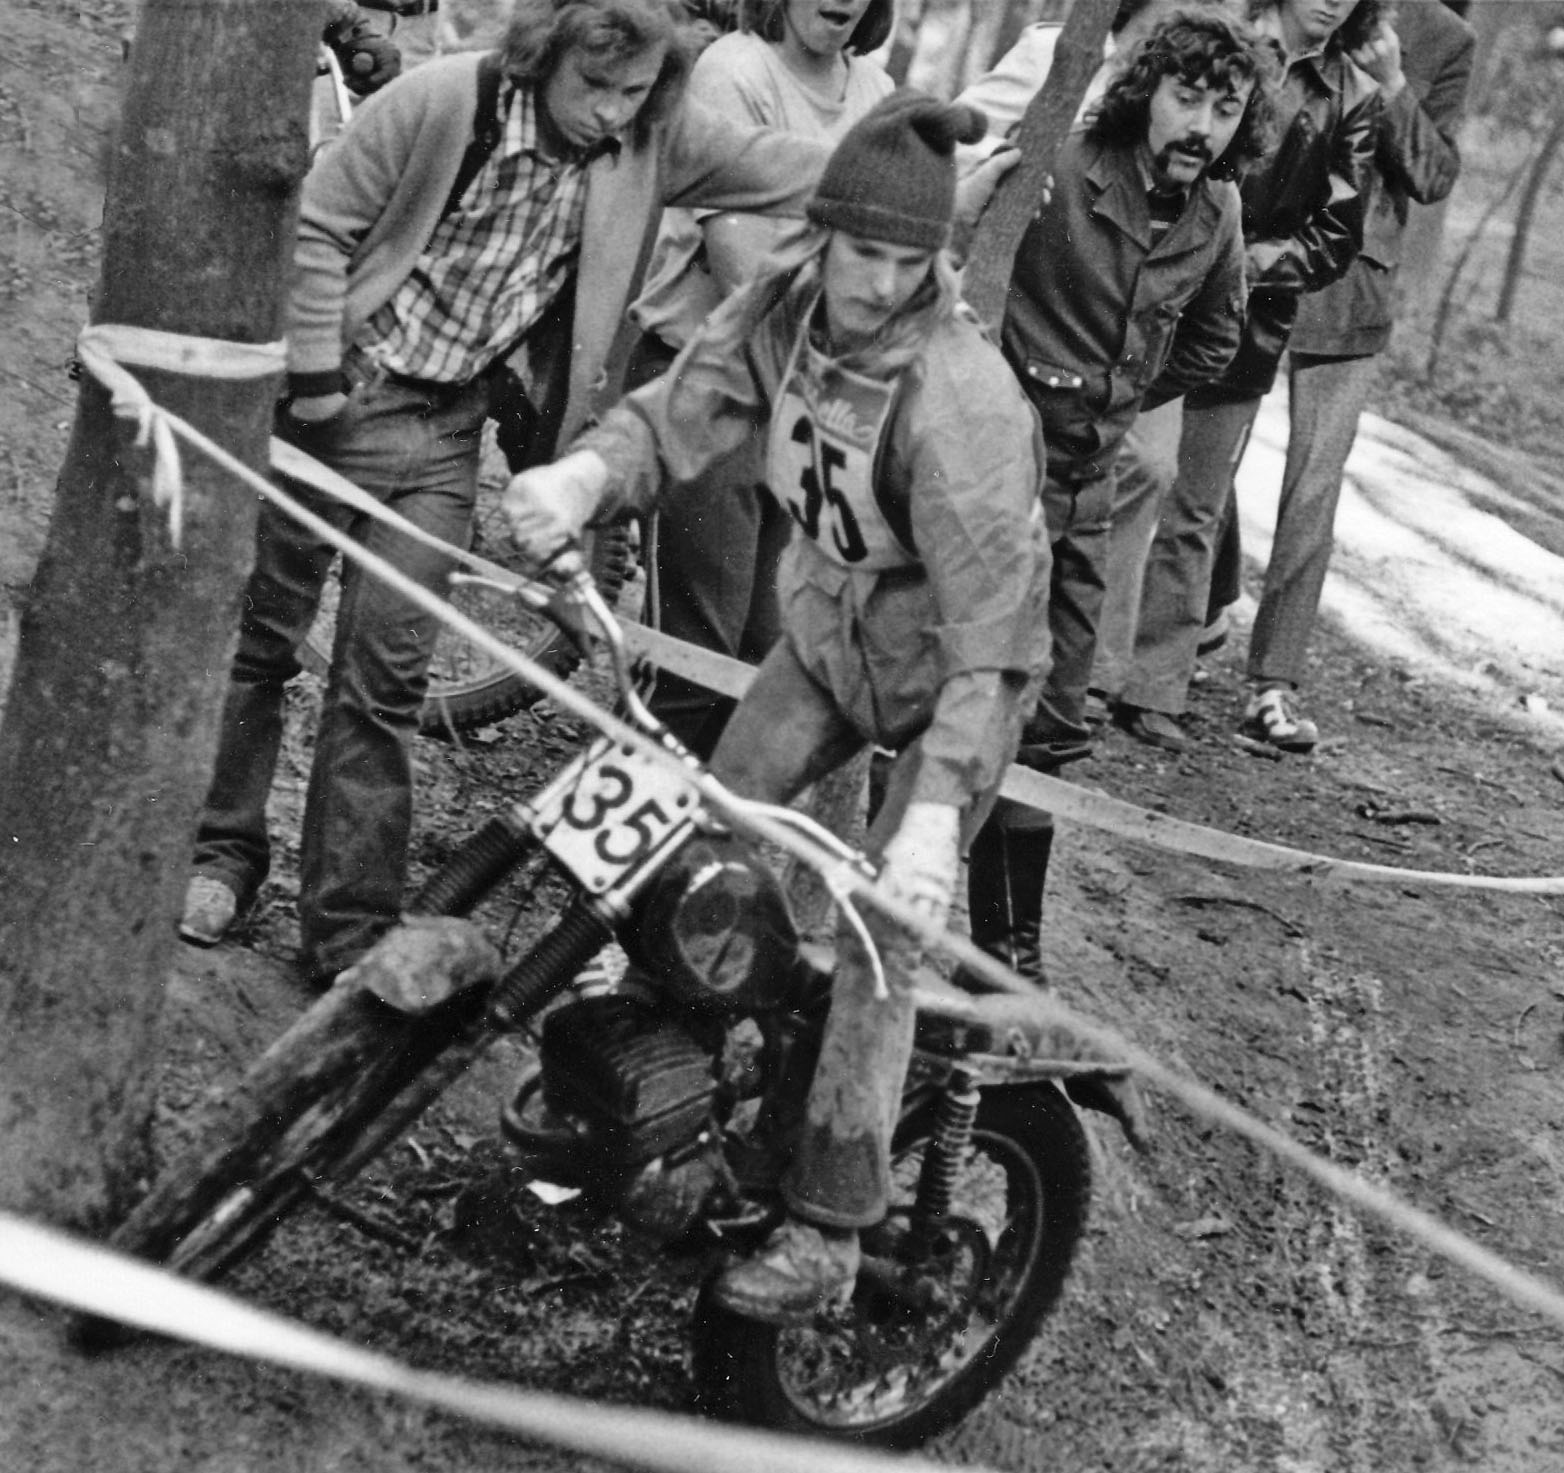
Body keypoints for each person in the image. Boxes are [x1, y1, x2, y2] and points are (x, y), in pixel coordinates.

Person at [503, 93, 1051, 1322]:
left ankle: (830, 1229)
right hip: (827, 633)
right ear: (823, 234)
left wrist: (933, 814)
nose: (880, 285)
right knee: (701, 832)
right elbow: (680, 413)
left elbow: (992, 635)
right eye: (863, 253)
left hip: (955, 684)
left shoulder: (960, 399)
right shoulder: (783, 312)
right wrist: (586, 475)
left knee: (878, 931)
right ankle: (653, 1083)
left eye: (909, 263)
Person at [177, 0, 849, 987]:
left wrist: (923, 182)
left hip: (443, 430)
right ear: (546, 55)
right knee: (262, 641)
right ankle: (219, 855)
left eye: (634, 92)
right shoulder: (439, 102)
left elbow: (779, 166)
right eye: (594, 86)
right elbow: (316, 226)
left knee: (385, 680)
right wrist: (316, 382)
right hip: (332, 408)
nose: (611, 110)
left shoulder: (648, 139)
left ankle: (346, 933)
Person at [962, 6, 1274, 986]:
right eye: (1187, 97)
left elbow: (1214, 342)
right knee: (946, 688)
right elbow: (966, 262)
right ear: (1146, 91)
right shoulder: (1061, 159)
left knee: (1054, 718)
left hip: (1083, 486)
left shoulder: (1217, 213)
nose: (1202, 126)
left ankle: (1005, 956)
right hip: (986, 472)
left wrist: (1119, 399)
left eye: (1226, 109)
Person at [1096, 0, 1381, 754]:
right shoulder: (1219, 46)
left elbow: (1337, 234)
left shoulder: (1353, 95)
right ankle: (1090, 671)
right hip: (1152, 287)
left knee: (1197, 505)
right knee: (1124, 473)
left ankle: (1156, 685)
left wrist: (1244, 264)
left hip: (1246, 326)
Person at [628, 0, 895, 756]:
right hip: (718, 380)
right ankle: (614, 825)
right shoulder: (736, 71)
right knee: (693, 653)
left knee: (769, 652)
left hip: (814, 395)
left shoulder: (875, 91)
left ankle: (706, 827)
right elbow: (742, 266)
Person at [1233, 0, 1474, 750]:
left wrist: (1395, 86)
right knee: (1206, 457)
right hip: (1256, 260)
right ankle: (1201, 610)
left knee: (1312, 490)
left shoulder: (1445, 36)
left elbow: (1433, 175)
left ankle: (1273, 683)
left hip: (1351, 287)